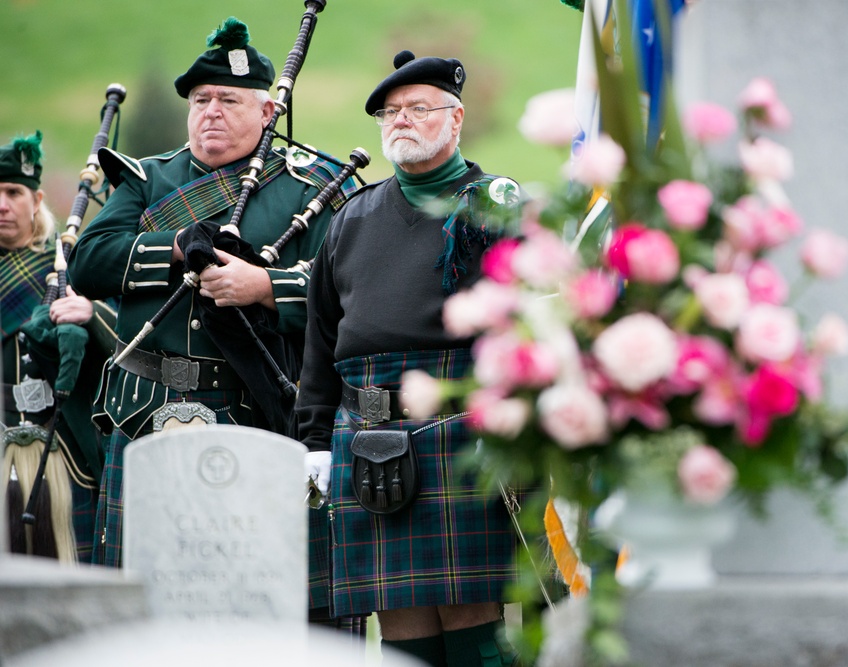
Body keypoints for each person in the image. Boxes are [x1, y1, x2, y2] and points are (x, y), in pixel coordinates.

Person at [67, 16, 356, 597]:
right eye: (201, 99)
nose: (211, 111)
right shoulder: (148, 181)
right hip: (146, 411)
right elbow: (90, 263)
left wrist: (263, 286)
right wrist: (175, 250)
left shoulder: (312, 186)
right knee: (143, 597)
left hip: (259, 407)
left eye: (229, 99)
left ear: (268, 112)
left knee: (249, 591)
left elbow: (346, 290)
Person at [296, 51, 522, 666]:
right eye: (390, 113)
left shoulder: (494, 207)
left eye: (418, 108)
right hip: (363, 430)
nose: (401, 121)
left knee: (469, 603)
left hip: (461, 427)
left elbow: (529, 323)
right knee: (397, 612)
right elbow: (321, 337)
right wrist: (316, 438)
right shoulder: (351, 219)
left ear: (456, 119)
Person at [1, 130, 116, 564]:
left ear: (37, 200)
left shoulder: (70, 270)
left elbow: (121, 339)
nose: (2, 205)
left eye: (13, 192)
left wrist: (89, 314)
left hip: (64, 452)